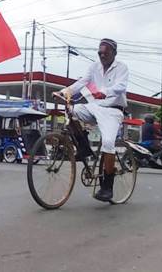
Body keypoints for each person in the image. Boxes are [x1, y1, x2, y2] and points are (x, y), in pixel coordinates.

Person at [54, 38, 129, 202]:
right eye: (100, 52)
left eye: (106, 52)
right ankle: (84, 148)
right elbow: (82, 82)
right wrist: (64, 92)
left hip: (113, 111)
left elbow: (121, 86)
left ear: (114, 53)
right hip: (95, 107)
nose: (102, 55)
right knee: (72, 111)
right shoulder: (94, 66)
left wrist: (104, 91)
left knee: (108, 143)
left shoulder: (121, 68)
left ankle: (107, 187)